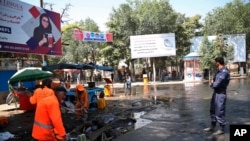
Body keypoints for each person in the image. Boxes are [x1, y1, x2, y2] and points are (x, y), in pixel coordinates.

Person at [204, 57, 230, 135]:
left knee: (219, 111)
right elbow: (214, 80)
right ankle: (212, 126)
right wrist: (213, 82)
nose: (215, 63)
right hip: (215, 93)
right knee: (213, 110)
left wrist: (212, 83)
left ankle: (222, 128)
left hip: (221, 94)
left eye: (215, 62)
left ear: (218, 62)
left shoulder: (224, 72)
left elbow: (216, 84)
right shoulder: (218, 71)